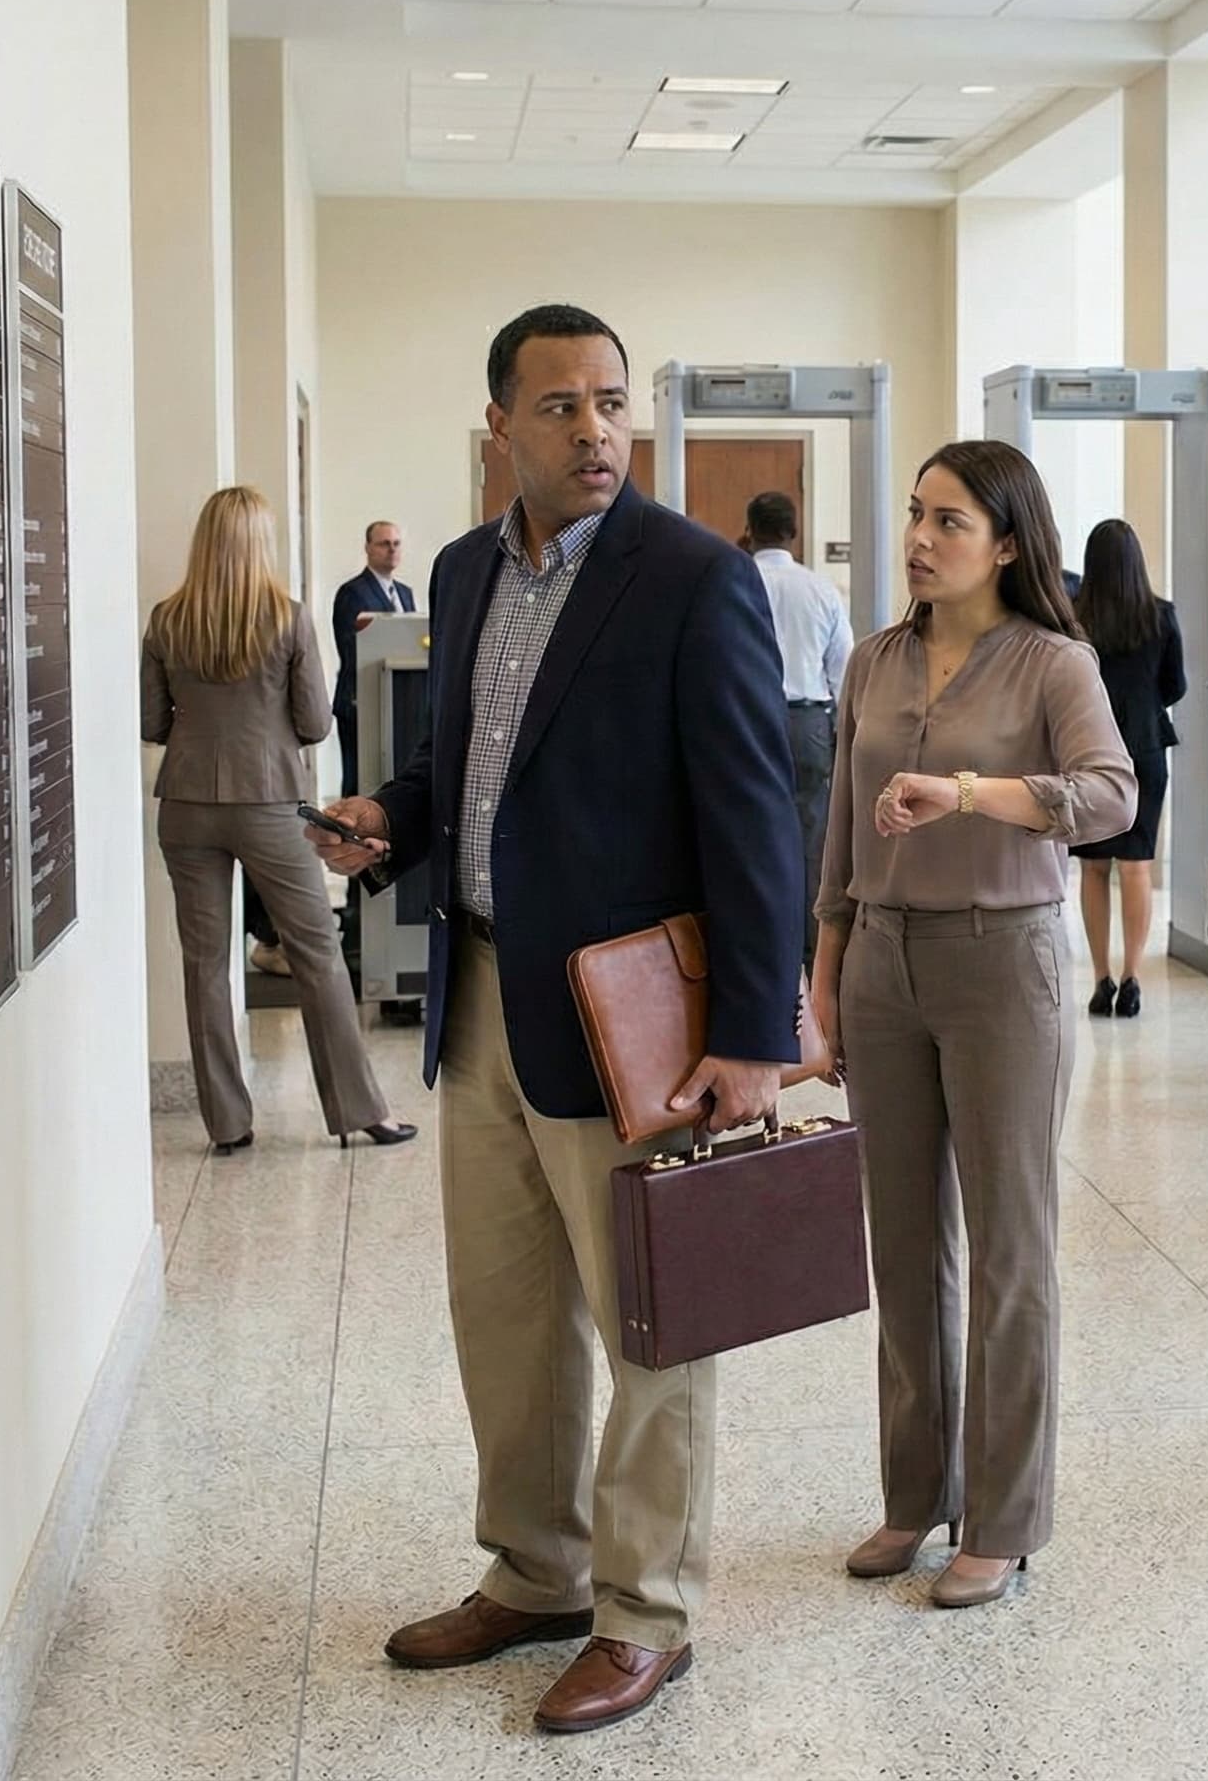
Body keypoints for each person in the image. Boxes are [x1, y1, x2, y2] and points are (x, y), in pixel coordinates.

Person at [306, 304, 801, 1733]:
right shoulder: (464, 574)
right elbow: (458, 767)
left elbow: (754, 815)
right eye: (561, 406)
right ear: (501, 430)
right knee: (507, 1315)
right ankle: (537, 1573)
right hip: (482, 998)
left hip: (632, 1019)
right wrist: (383, 820)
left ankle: (649, 1612)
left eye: (611, 402)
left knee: (653, 1323)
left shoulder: (694, 579)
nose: (594, 429)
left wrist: (756, 1032)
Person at [812, 441, 1134, 1611]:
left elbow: (1109, 794)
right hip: (881, 963)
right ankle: (914, 1492)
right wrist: (826, 958)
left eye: (947, 520)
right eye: (913, 514)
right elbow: (843, 819)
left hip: (1004, 963)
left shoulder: (1052, 663)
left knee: (1008, 1246)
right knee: (900, 1241)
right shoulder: (872, 660)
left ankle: (1002, 1515)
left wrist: (972, 792)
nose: (919, 537)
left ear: (1006, 541)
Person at [141, 487, 414, 1156]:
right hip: (267, 803)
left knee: (205, 966)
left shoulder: (167, 619)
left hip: (186, 807)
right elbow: (316, 723)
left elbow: (151, 724)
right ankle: (359, 1112)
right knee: (317, 952)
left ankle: (228, 1126)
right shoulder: (287, 619)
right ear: (262, 544)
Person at [1070, 519, 1186, 1018]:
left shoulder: (1073, 619)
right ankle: (1133, 975)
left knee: (1094, 868)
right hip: (1143, 751)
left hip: (1087, 751)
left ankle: (1100, 979)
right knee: (1137, 865)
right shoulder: (1160, 616)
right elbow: (1175, 685)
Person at [744, 489, 852, 968]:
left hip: (748, 721)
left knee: (748, 831)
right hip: (808, 721)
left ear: (750, 531)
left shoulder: (735, 580)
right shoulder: (821, 589)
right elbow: (842, 669)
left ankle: (759, 944)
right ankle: (810, 954)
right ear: (793, 532)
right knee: (812, 839)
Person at [331, 520, 415, 798]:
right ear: (368, 548)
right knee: (358, 781)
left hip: (399, 700)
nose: (392, 550)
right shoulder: (352, 593)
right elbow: (350, 649)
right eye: (384, 544)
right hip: (359, 701)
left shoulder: (405, 594)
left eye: (396, 543)